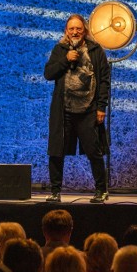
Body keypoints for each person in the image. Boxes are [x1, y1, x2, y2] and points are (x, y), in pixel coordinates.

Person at [44, 14, 109, 204]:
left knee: (93, 151)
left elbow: (104, 80)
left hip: (88, 110)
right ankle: (55, 192)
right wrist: (65, 59)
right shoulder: (60, 49)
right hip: (63, 110)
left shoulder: (96, 50)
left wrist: (101, 107)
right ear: (66, 31)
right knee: (56, 151)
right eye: (71, 29)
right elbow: (48, 73)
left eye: (78, 29)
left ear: (85, 30)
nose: (75, 32)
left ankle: (101, 190)